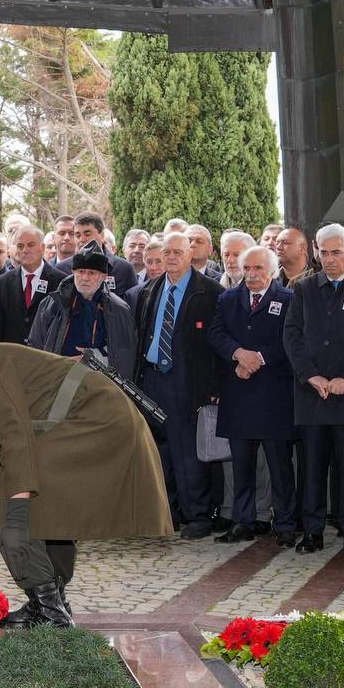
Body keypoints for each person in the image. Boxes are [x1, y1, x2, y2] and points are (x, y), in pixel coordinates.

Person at [0, 331, 172, 626]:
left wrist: (16, 516)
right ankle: (51, 601)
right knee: (13, 497)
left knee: (7, 498)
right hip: (87, 422)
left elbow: (15, 436)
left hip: (97, 419)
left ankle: (49, 610)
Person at [282, 223, 344, 554]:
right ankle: (312, 532)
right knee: (312, 467)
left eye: (336, 252)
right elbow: (292, 336)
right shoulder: (304, 289)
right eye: (324, 253)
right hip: (312, 395)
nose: (329, 259)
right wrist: (311, 376)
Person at [130, 221, 223, 537]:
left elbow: (217, 343)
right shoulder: (150, 289)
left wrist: (214, 387)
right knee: (160, 450)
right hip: (152, 379)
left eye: (177, 252)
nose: (170, 257)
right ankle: (170, 513)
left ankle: (198, 516)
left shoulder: (209, 292)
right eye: (166, 252)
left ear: (190, 254)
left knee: (189, 451)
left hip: (188, 381)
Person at [209, 246, 297, 544]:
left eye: (258, 268)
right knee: (241, 465)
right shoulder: (227, 298)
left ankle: (285, 524)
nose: (251, 274)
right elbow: (216, 334)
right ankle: (243, 521)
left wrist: (258, 358)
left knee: (280, 466)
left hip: (274, 396)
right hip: (239, 393)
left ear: (271, 271)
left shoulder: (288, 299)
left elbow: (290, 338)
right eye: (247, 268)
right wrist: (238, 354)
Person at [29, 248, 135, 372]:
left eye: (92, 273)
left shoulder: (118, 309)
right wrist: (61, 363)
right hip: (57, 375)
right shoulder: (53, 303)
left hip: (99, 379)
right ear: (73, 272)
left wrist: (96, 359)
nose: (85, 278)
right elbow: (35, 345)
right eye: (81, 271)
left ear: (103, 276)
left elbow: (126, 355)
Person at [0, 224, 62, 346]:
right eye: (20, 246)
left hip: (45, 355)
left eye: (31, 245)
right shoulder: (3, 282)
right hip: (12, 354)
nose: (25, 250)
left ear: (42, 248)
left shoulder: (60, 281)